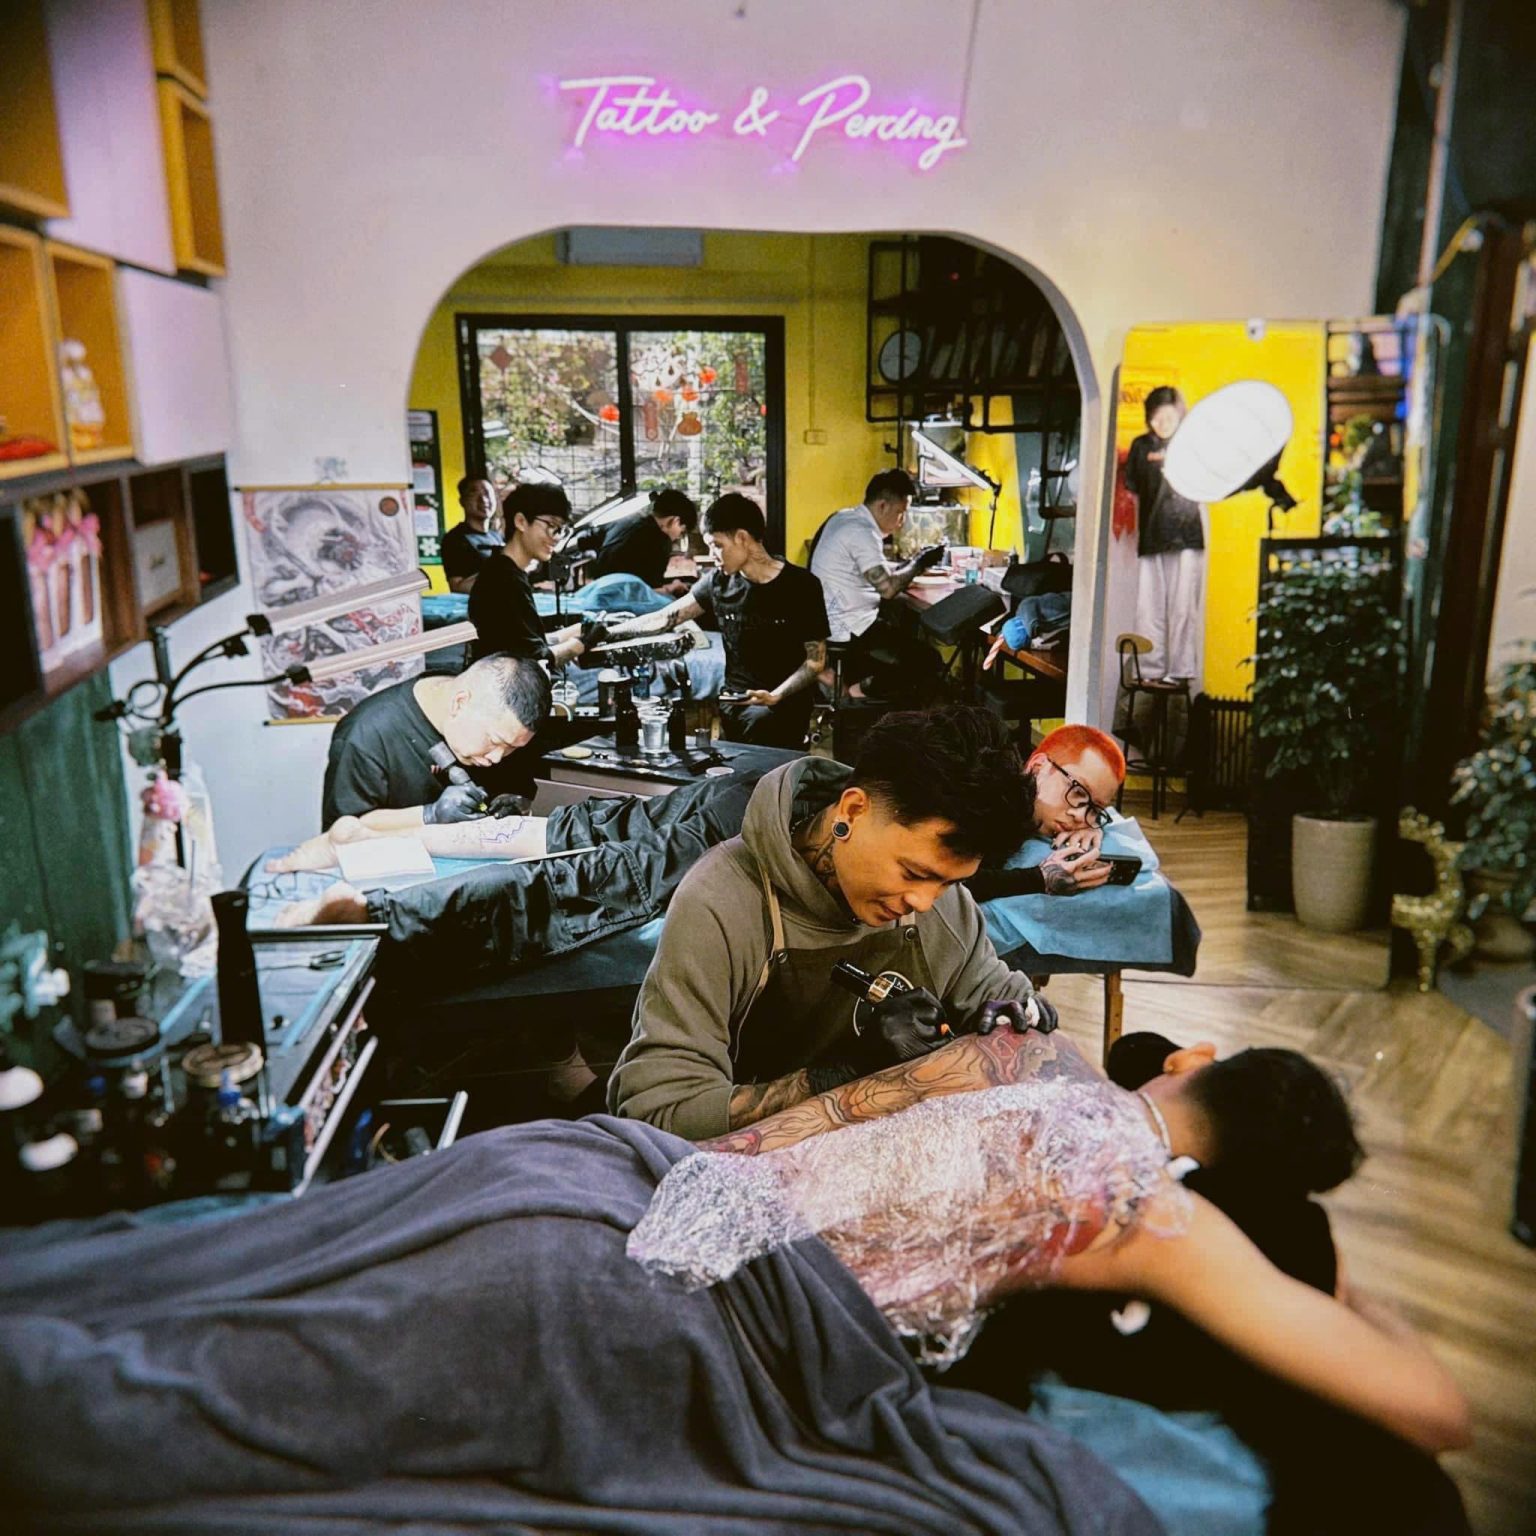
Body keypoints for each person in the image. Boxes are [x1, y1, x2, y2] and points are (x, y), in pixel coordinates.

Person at [638, 1023, 1470, 1463]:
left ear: (1190, 1067)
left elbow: (777, 1138)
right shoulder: (1145, 1216)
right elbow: (1438, 1412)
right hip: (739, 1331)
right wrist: (1350, 1289)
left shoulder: (1025, 1052)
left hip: (659, 1200)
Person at [607, 706, 1053, 1140]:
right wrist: (840, 1075)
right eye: (913, 873)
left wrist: (1019, 1023)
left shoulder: (947, 908)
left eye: (950, 881)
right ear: (853, 811)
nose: (923, 901)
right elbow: (661, 1112)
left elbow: (998, 997)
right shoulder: (721, 902)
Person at [605, 492, 831, 748]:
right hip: (733, 705)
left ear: (742, 538)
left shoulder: (801, 586)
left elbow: (815, 662)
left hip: (782, 709)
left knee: (772, 767)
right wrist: (604, 633)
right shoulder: (718, 582)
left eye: (717, 545)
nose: (712, 554)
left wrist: (776, 695)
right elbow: (665, 617)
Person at [319, 652, 550, 830]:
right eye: (494, 741)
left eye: (512, 748)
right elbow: (343, 830)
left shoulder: (507, 727)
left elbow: (522, 791)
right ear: (459, 703)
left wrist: (517, 804)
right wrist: (429, 815)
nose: (497, 757)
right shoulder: (366, 735)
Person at [808, 467, 945, 701]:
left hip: (830, 621)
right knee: (929, 661)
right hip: (849, 628)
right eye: (900, 513)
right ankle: (856, 692)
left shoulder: (843, 517)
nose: (901, 522)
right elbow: (888, 589)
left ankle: (866, 689)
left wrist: (910, 565)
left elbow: (875, 571)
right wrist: (920, 563)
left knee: (903, 624)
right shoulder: (862, 532)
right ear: (882, 506)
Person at [964, 724, 1130, 900]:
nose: (1080, 816)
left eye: (1095, 808)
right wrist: (1040, 878)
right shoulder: (987, 797)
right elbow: (957, 882)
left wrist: (1093, 824)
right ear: (1038, 767)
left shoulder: (1081, 818)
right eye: (1078, 792)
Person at [1124, 386, 1206, 686]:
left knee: (1184, 606)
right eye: (1157, 418)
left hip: (1189, 535)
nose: (1163, 423)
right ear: (1149, 418)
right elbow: (1132, 485)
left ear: (1180, 416)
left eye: (1170, 417)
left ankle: (1181, 670)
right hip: (1152, 533)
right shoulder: (1140, 446)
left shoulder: (1194, 443)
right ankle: (1150, 670)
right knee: (1150, 606)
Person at [467, 482, 599, 666]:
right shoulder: (505, 580)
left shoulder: (505, 569)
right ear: (521, 522)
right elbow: (536, 659)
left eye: (561, 529)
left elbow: (531, 642)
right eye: (551, 525)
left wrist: (581, 629)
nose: (556, 537)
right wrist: (583, 643)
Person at [587, 487, 697, 596]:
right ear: (675, 521)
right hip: (619, 599)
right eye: (682, 532)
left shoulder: (626, 521)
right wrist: (672, 588)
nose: (678, 537)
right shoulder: (659, 540)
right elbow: (649, 594)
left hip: (599, 592)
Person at [438, 476, 503, 593]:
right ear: (462, 501)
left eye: (487, 493)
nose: (483, 499)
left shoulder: (497, 537)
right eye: (474, 493)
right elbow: (457, 587)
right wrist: (502, 570)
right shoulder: (454, 540)